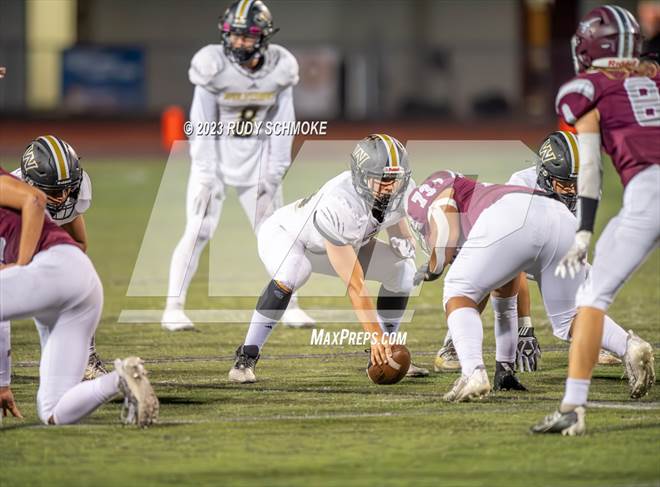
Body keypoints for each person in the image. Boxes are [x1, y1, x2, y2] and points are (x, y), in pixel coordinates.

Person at [406, 169, 654, 403]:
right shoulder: (481, 199)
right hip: (561, 220)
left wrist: (432, 268)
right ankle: (628, 345)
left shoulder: (441, 198)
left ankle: (472, 371)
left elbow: (443, 218)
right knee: (569, 318)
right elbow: (505, 299)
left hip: (511, 217)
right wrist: (504, 368)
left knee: (457, 291)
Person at [532, 5, 659, 435]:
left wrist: (584, 230)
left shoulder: (585, 88)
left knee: (590, 301)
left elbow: (589, 171)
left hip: (649, 192)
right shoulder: (655, 74)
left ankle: (573, 407)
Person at [162, 0, 314, 331]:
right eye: (233, 35)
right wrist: (205, 171)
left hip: (257, 161)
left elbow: (283, 124)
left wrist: (274, 171)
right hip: (214, 158)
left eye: (246, 36)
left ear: (263, 38)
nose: (238, 43)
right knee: (199, 229)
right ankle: (172, 306)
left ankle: (289, 305)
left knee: (275, 234)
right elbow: (201, 123)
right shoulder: (211, 65)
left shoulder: (281, 67)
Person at [228, 134, 428, 383]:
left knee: (403, 270)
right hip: (288, 236)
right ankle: (246, 357)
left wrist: (403, 240)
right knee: (294, 270)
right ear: (362, 175)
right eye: (384, 179)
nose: (392, 186)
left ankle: (387, 352)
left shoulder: (401, 189)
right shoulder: (339, 203)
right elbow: (356, 286)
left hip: (343, 242)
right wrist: (373, 335)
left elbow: (395, 220)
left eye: (396, 179)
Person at [435, 130, 620, 373]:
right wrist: (524, 327)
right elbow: (515, 262)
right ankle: (451, 345)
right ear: (545, 175)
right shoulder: (521, 185)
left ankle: (593, 338)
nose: (573, 191)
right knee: (481, 281)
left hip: (550, 247)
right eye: (565, 183)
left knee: (589, 279)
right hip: (500, 244)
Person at [0, 168, 158, 426]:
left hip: (54, 267)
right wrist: (2, 383)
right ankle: (122, 378)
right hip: (81, 283)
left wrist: (22, 263)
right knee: (53, 411)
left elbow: (35, 199)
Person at [4, 136, 107, 380]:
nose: (62, 197)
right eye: (53, 191)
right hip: (11, 250)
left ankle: (85, 357)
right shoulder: (10, 198)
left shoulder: (75, 188)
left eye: (66, 189)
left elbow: (80, 243)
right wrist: (23, 265)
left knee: (77, 284)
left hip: (40, 255)